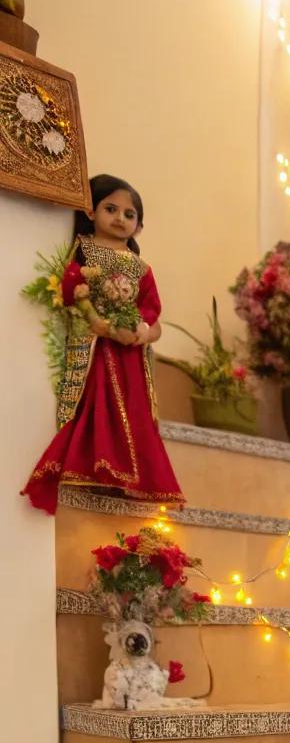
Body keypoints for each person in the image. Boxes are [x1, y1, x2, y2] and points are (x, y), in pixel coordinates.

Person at [22, 173, 185, 513]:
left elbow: (153, 311)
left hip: (131, 354)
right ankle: (94, 465)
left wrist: (141, 331)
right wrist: (101, 323)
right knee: (98, 405)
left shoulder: (141, 267)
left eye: (130, 214)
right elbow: (70, 289)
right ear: (91, 212)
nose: (120, 218)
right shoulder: (83, 248)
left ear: (139, 226)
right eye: (111, 208)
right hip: (96, 346)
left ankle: (127, 476)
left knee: (132, 411)